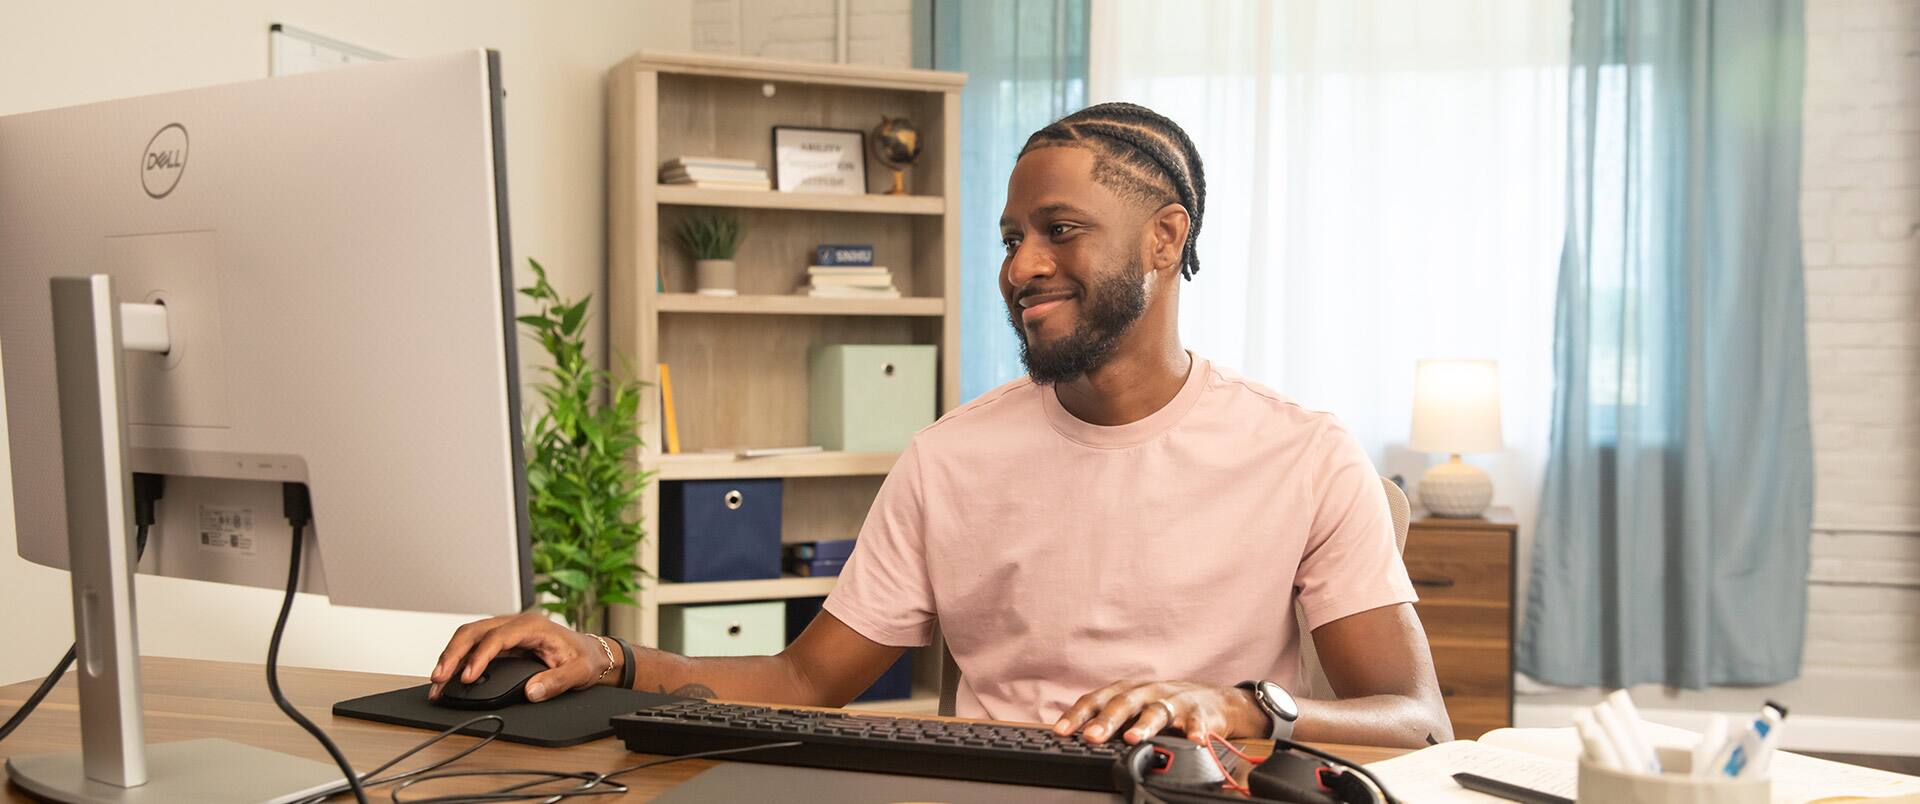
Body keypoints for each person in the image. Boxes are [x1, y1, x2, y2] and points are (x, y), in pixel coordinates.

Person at [431, 103, 1452, 748]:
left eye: (1060, 231)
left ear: (1163, 237)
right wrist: (608, 658)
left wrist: (1235, 704)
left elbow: (1414, 722)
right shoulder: (953, 456)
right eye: (1012, 238)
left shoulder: (1303, 454)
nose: (1019, 267)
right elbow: (803, 679)